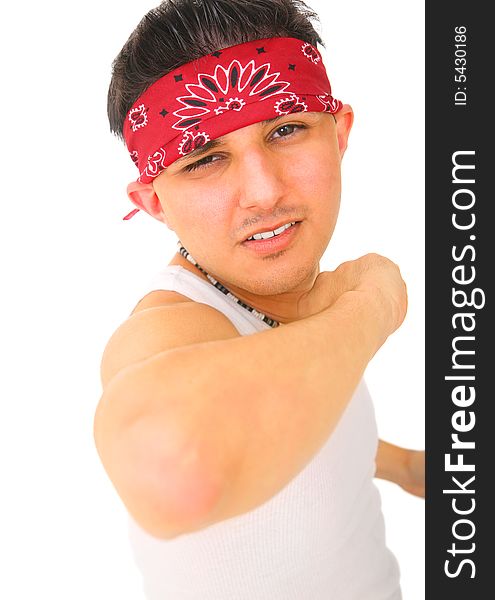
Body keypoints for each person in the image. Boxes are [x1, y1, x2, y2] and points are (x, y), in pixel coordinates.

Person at [94, 0, 425, 598]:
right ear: (155, 204)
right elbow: (176, 472)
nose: (265, 192)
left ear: (340, 133)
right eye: (205, 159)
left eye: (286, 129)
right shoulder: (171, 327)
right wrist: (374, 307)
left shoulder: (307, 311)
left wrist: (400, 465)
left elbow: (297, 406)